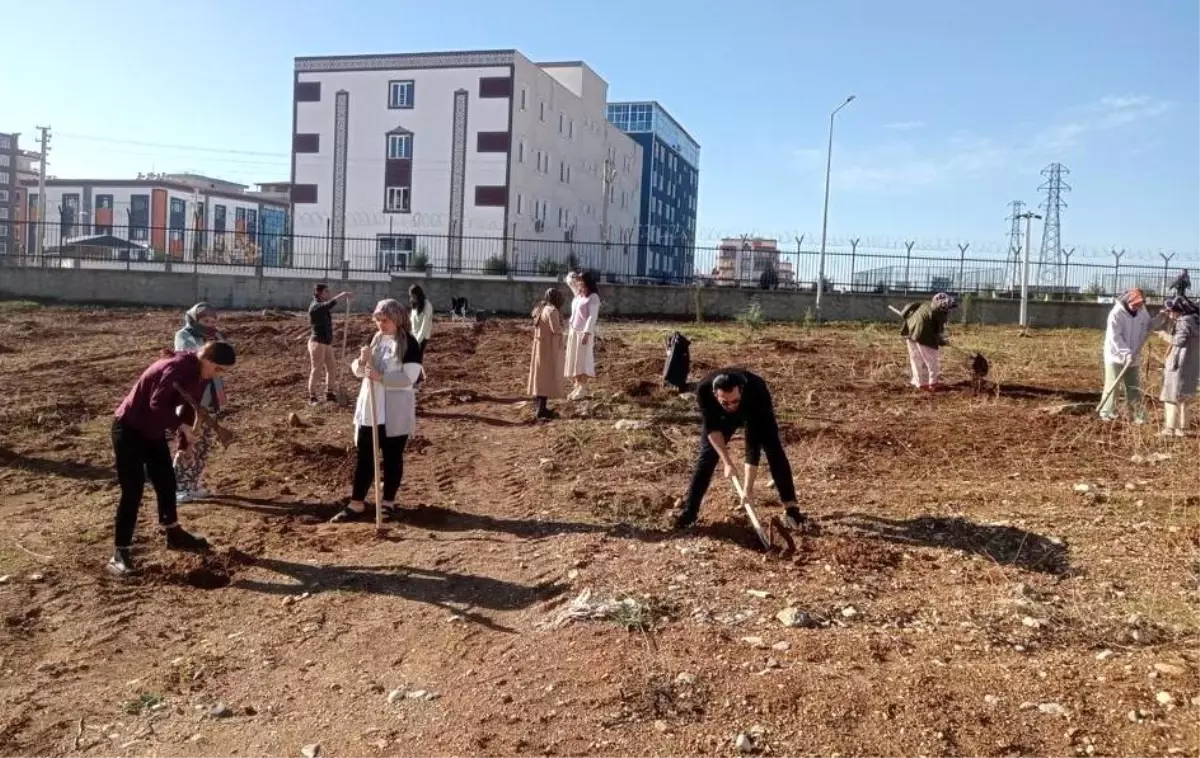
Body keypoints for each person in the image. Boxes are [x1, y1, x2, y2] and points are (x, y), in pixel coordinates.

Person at [108, 342, 236, 576]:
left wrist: (184, 443)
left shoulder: (201, 374)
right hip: (129, 428)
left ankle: (174, 533)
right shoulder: (177, 368)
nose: (220, 374)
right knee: (133, 491)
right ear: (207, 359)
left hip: (153, 432)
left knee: (167, 482)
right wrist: (181, 427)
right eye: (219, 369)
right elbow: (155, 404)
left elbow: (189, 405)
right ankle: (120, 553)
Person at [675, 369, 805, 532]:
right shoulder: (703, 390)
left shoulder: (756, 390)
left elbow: (753, 445)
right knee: (707, 457)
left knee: (774, 450)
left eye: (735, 401)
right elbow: (712, 429)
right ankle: (689, 513)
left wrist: (747, 489)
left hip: (755, 412)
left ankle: (791, 509)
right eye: (726, 402)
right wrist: (727, 462)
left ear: (741, 391)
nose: (731, 405)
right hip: (721, 419)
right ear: (716, 394)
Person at [330, 299, 423, 523]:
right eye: (378, 320)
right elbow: (358, 369)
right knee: (364, 458)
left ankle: (388, 502)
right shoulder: (374, 339)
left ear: (397, 319)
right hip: (370, 409)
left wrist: (380, 377)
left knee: (392, 458)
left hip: (394, 410)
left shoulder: (409, 343)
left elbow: (410, 378)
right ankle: (357, 503)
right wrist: (360, 363)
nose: (381, 324)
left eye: (385, 320)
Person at [172, 303, 226, 503]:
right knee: (187, 442)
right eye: (205, 321)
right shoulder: (184, 335)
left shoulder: (217, 336)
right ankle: (177, 487)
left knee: (204, 444)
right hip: (190, 398)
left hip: (211, 398)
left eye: (213, 321)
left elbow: (225, 358)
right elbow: (194, 357)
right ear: (195, 319)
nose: (210, 324)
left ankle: (193, 484)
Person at [1100, 288, 1152, 423]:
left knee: (1133, 386)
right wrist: (1126, 353)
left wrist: (1159, 320)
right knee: (1113, 385)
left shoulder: (1142, 312)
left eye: (1140, 304)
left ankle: (1138, 415)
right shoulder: (1116, 314)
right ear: (1128, 301)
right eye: (1135, 304)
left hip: (1133, 355)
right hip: (1115, 355)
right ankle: (1107, 412)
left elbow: (1148, 325)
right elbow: (1115, 337)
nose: (1137, 307)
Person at [899, 292, 958, 392]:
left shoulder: (925, 304)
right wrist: (942, 341)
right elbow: (937, 332)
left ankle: (920, 383)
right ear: (943, 306)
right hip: (923, 335)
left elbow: (908, 308)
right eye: (948, 307)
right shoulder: (939, 313)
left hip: (910, 331)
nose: (949, 310)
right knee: (931, 360)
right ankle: (933, 383)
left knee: (916, 359)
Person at [1158, 296, 1200, 437]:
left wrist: (1164, 335)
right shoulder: (1196, 321)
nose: (1170, 314)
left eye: (1171, 311)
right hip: (1191, 365)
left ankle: (1170, 429)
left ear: (1179, 311)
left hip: (1178, 365)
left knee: (1171, 396)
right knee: (1185, 398)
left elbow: (1179, 340)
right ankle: (1183, 428)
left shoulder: (1183, 322)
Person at [308, 283, 352, 405]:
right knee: (316, 368)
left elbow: (327, 307)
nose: (329, 293)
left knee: (332, 368)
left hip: (326, 343)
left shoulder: (322, 306)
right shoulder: (315, 306)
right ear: (320, 293)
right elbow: (328, 305)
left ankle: (329, 393)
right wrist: (342, 295)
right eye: (326, 292)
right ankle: (312, 397)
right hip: (317, 342)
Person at [528, 288, 567, 421]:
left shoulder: (541, 307)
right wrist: (564, 327)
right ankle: (541, 409)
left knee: (538, 376)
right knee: (544, 377)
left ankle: (537, 405)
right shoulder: (552, 310)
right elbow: (556, 329)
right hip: (547, 348)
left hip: (540, 345)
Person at [565, 270, 601, 400]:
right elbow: (569, 280)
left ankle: (583, 387)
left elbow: (592, 316)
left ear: (588, 282)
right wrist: (573, 275)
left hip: (583, 333)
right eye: (578, 281)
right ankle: (577, 386)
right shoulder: (578, 294)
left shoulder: (593, 297)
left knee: (582, 359)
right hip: (573, 331)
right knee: (573, 359)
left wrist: (587, 332)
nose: (578, 283)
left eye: (581, 281)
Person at [409, 284, 434, 352]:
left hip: (422, 338)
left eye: (413, 296)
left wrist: (417, 341)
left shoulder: (427, 306)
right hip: (414, 335)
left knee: (417, 359)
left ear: (418, 295)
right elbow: (412, 321)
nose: (412, 298)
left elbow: (424, 326)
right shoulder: (415, 305)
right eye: (411, 296)